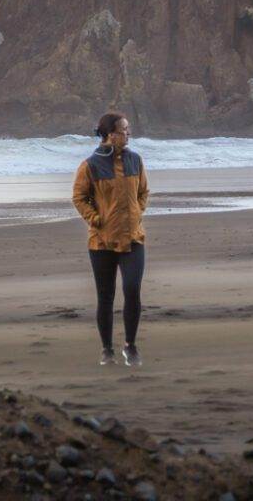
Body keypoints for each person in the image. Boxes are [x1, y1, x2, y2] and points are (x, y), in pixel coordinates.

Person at [72, 111, 149, 367]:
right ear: (109, 135)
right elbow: (79, 198)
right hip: (101, 242)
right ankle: (107, 349)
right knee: (105, 296)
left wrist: (137, 213)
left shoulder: (135, 160)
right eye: (123, 130)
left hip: (133, 239)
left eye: (128, 130)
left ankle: (130, 346)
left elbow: (143, 192)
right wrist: (95, 219)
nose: (128, 134)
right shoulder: (90, 165)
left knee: (132, 290)